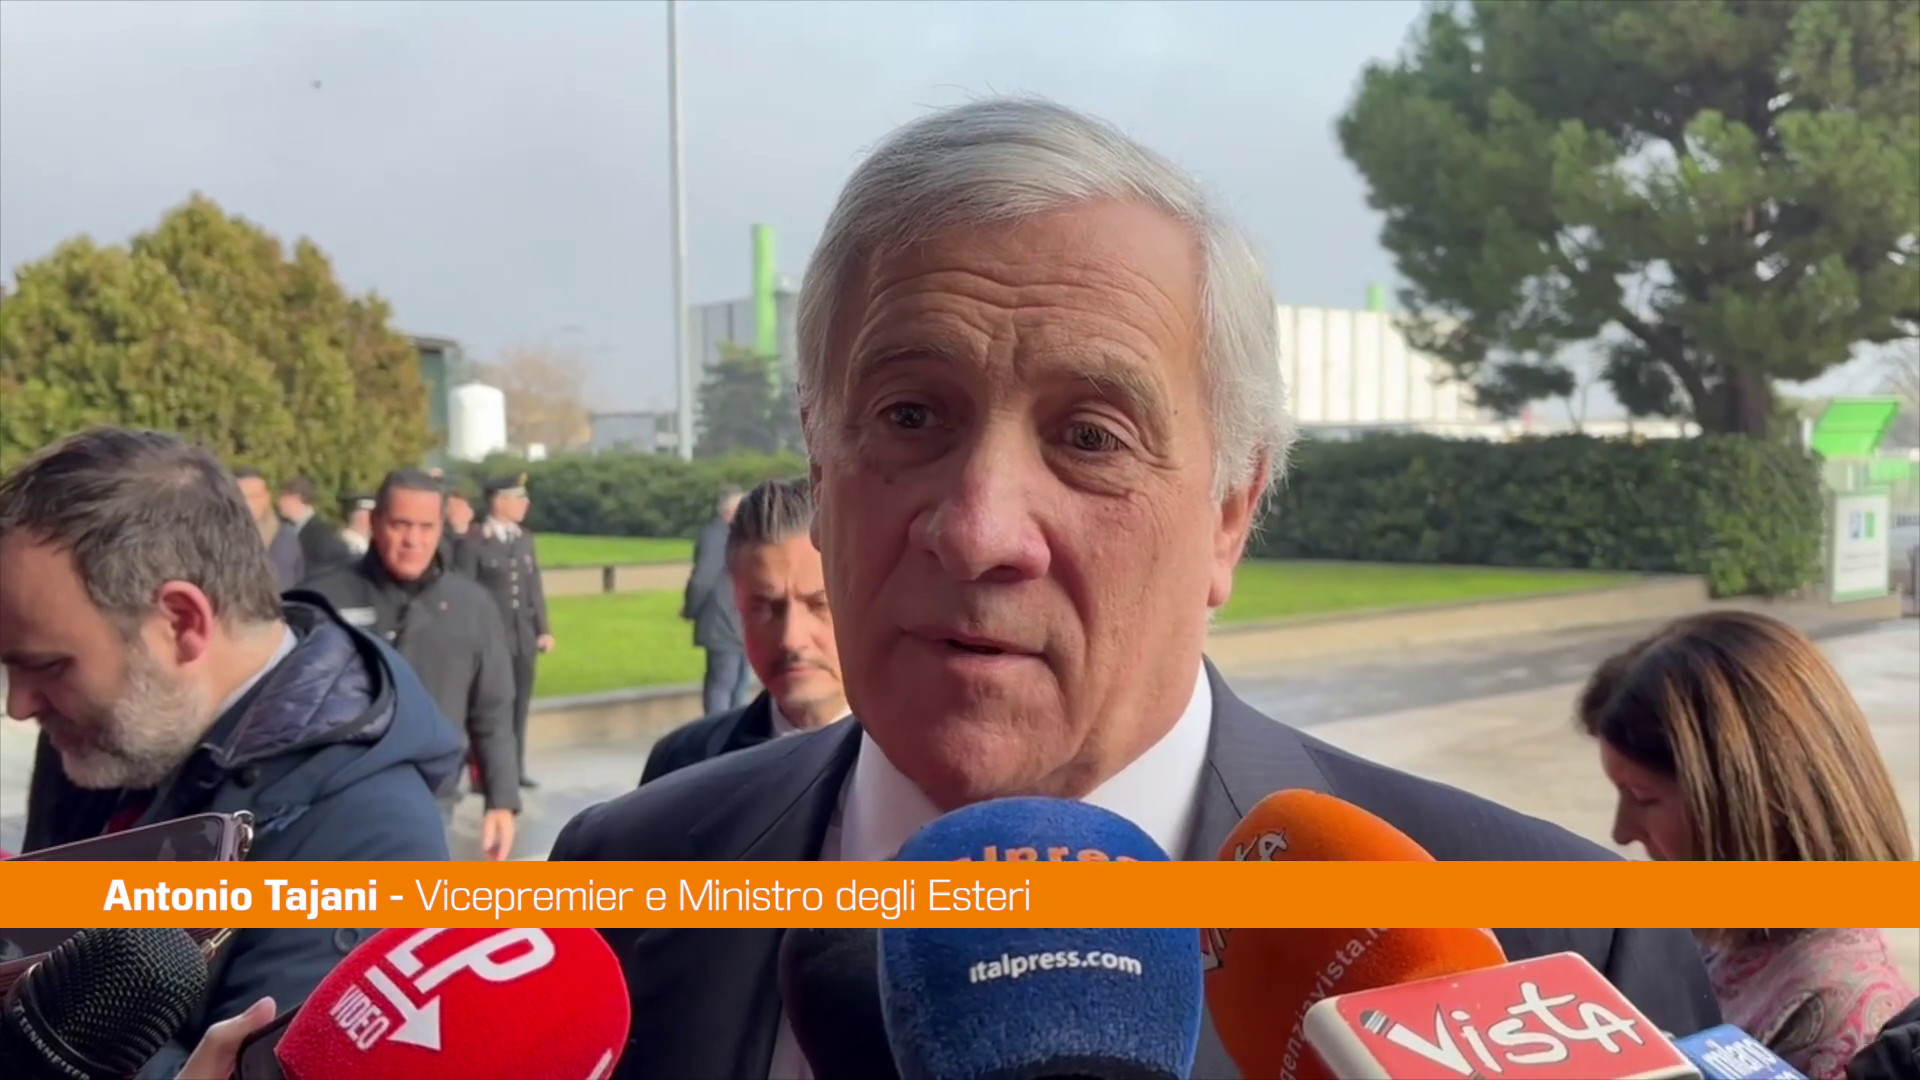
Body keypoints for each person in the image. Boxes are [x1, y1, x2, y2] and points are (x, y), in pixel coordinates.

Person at [547, 98, 1722, 1080]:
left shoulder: (1566, 950)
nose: (979, 530)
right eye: (909, 415)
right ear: (820, 465)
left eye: (1092, 438)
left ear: (1230, 513)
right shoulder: (622, 881)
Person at [0, 427, 458, 1078]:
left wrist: (37, 1024)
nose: (19, 705)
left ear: (182, 623)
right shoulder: (102, 733)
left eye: (46, 665)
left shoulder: (373, 836)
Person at [1576, 610, 1916, 1079]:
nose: (1621, 831)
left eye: (1644, 798)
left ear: (1745, 805)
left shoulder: (1841, 1017)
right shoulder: (1720, 927)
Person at [300, 467, 521, 860]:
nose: (413, 541)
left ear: (441, 527)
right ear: (374, 522)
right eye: (400, 525)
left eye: (426, 527)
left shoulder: (472, 607)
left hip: (430, 800)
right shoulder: (323, 601)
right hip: (335, 803)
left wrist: (501, 799)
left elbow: (493, 710)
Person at [641, 477, 845, 785]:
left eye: (819, 605)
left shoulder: (921, 768)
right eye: (764, 608)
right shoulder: (681, 765)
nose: (791, 639)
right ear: (738, 604)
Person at [455, 473, 553, 789]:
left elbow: (533, 588)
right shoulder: (474, 542)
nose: (526, 504)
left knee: (520, 706)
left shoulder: (524, 539)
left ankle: (515, 770)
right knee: (489, 707)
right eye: (518, 498)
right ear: (499, 501)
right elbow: (464, 593)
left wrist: (543, 629)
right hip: (491, 640)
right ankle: (483, 774)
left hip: (522, 638)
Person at [683, 485, 751, 714]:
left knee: (736, 685)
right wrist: (691, 609)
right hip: (724, 622)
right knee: (725, 684)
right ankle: (720, 730)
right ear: (730, 511)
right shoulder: (716, 536)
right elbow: (703, 579)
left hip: (740, 623)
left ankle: (732, 731)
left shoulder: (739, 536)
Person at [231, 466, 304, 590]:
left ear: (267, 497)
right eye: (245, 497)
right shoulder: (223, 538)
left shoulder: (284, 538)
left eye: (257, 496)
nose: (250, 502)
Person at [276, 475, 352, 576]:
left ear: (296, 498)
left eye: (283, 497)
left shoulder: (320, 534)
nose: (279, 503)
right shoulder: (288, 529)